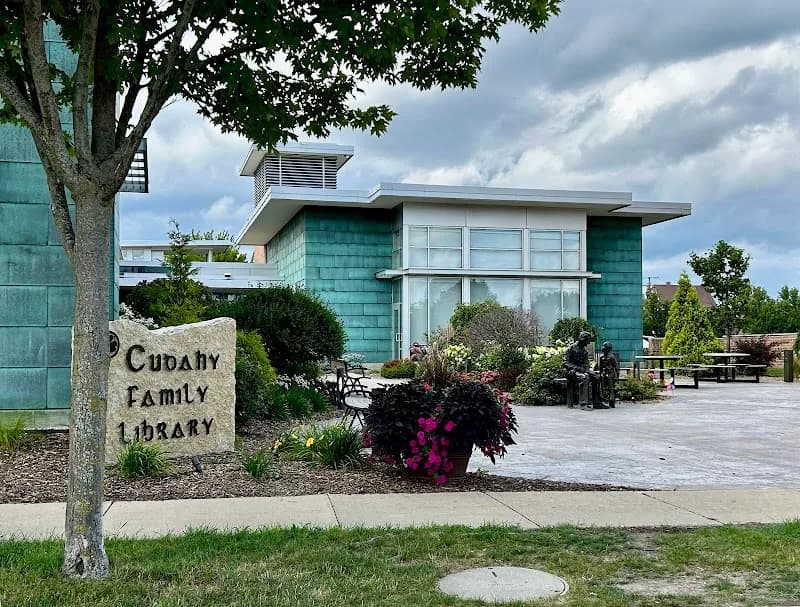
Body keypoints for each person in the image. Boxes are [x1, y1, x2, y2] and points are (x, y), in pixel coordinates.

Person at [563, 331, 604, 410]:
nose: (588, 342)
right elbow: (565, 363)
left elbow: (586, 364)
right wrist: (577, 368)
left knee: (597, 376)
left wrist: (586, 369)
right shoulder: (571, 348)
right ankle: (583, 404)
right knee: (585, 377)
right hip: (571, 371)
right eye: (587, 340)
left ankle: (597, 402)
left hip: (581, 370)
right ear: (582, 339)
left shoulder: (585, 351)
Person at [594, 341, 619, 408]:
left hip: (610, 373)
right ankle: (601, 396)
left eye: (604, 346)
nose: (602, 348)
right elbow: (599, 367)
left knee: (610, 382)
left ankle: (611, 398)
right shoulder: (601, 357)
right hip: (603, 373)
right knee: (599, 380)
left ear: (608, 348)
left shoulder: (611, 357)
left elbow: (616, 366)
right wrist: (598, 372)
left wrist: (617, 375)